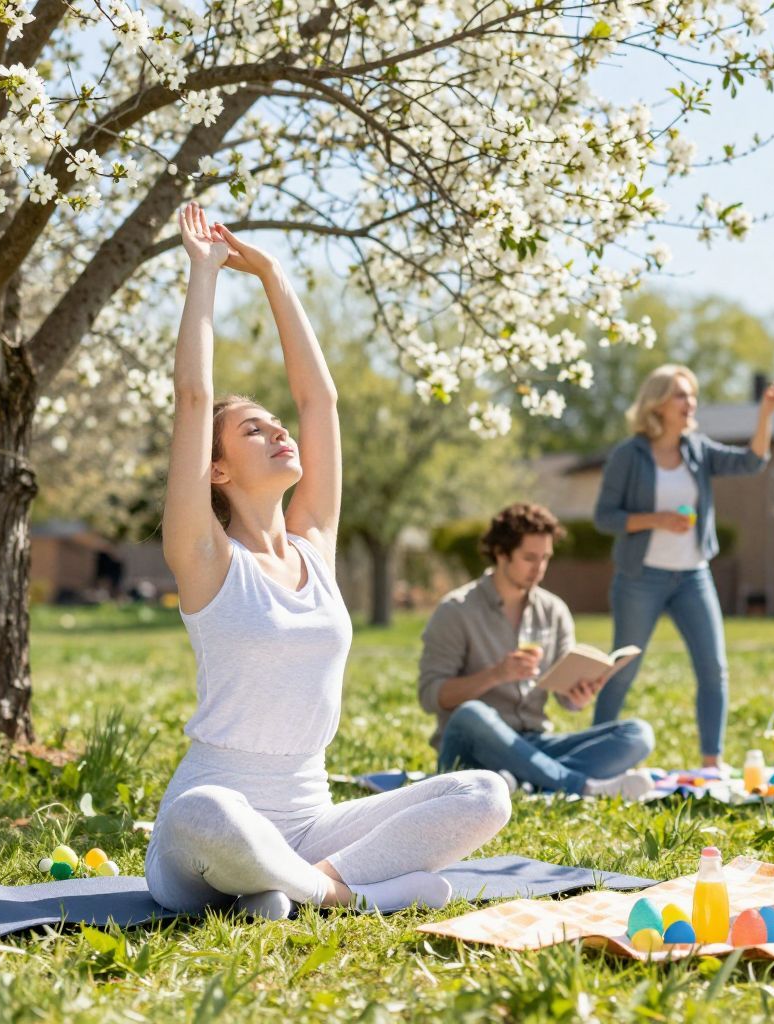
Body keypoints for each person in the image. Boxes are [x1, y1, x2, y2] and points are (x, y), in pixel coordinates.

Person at [144, 204, 510, 921]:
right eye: (254, 430)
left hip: (314, 828)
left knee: (483, 793)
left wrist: (274, 276)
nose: (280, 431)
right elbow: (192, 398)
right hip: (209, 835)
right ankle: (351, 895)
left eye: (277, 424)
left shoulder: (314, 546)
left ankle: (306, 889)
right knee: (206, 811)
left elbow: (320, 400)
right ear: (217, 471)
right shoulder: (206, 557)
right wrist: (205, 272)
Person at [592, 364, 774, 767]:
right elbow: (604, 517)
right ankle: (592, 754)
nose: (691, 402)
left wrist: (765, 415)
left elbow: (751, 462)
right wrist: (656, 519)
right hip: (640, 578)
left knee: (713, 669)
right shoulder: (629, 455)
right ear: (658, 403)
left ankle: (712, 763)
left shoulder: (697, 449)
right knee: (622, 669)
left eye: (692, 394)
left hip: (693, 576)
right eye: (681, 394)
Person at [420, 503, 657, 797]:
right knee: (471, 713)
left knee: (637, 734)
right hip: (472, 748)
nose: (539, 568)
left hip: (534, 744)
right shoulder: (456, 610)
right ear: (501, 553)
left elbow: (565, 698)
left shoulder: (554, 611)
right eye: (529, 558)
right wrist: (496, 675)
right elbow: (431, 696)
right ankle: (579, 786)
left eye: (545, 557)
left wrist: (578, 696)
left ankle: (525, 782)